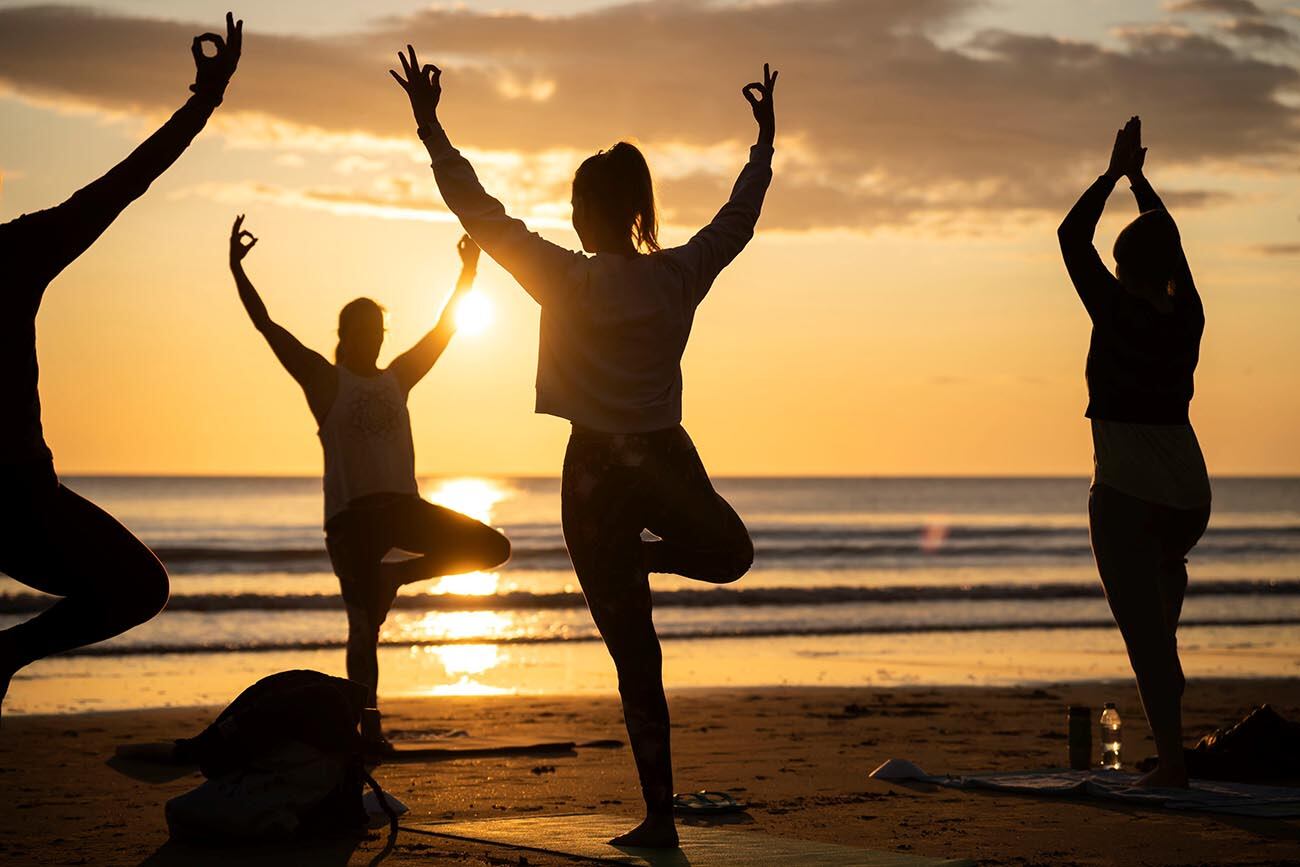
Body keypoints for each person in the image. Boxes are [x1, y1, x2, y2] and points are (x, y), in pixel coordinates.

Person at [391, 46, 776, 846]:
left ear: (588, 215)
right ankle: (658, 817)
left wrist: (431, 128)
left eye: (574, 207)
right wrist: (763, 146)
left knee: (638, 655)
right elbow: (737, 223)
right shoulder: (677, 274)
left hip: (598, 475)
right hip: (667, 458)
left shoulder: (564, 277)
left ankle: (661, 817)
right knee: (731, 554)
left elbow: (480, 211)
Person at [0, 13, 244, 715]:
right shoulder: (18, 253)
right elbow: (122, 184)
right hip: (18, 497)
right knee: (139, 587)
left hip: (23, 498)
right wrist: (204, 102)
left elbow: (121, 184)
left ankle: (5, 656)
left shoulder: (18, 252)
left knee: (140, 586)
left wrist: (202, 104)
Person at [228, 220, 511, 750]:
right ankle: (368, 732)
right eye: (369, 329)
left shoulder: (397, 376)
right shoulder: (324, 380)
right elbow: (269, 327)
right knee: (363, 629)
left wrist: (468, 271)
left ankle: (399, 575)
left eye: (382, 329)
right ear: (348, 333)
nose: (379, 337)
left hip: (405, 508)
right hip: (353, 519)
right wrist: (238, 271)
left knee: (493, 547)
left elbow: (444, 330)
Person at [1058, 116, 1212, 788]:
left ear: (1123, 271)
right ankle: (1166, 620)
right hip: (1189, 495)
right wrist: (1141, 183)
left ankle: (1173, 762)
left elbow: (1070, 237)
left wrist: (1112, 174)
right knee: (1163, 568)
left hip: (1125, 489)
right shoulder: (1188, 318)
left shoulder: (1115, 310)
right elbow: (1171, 247)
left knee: (1144, 642)